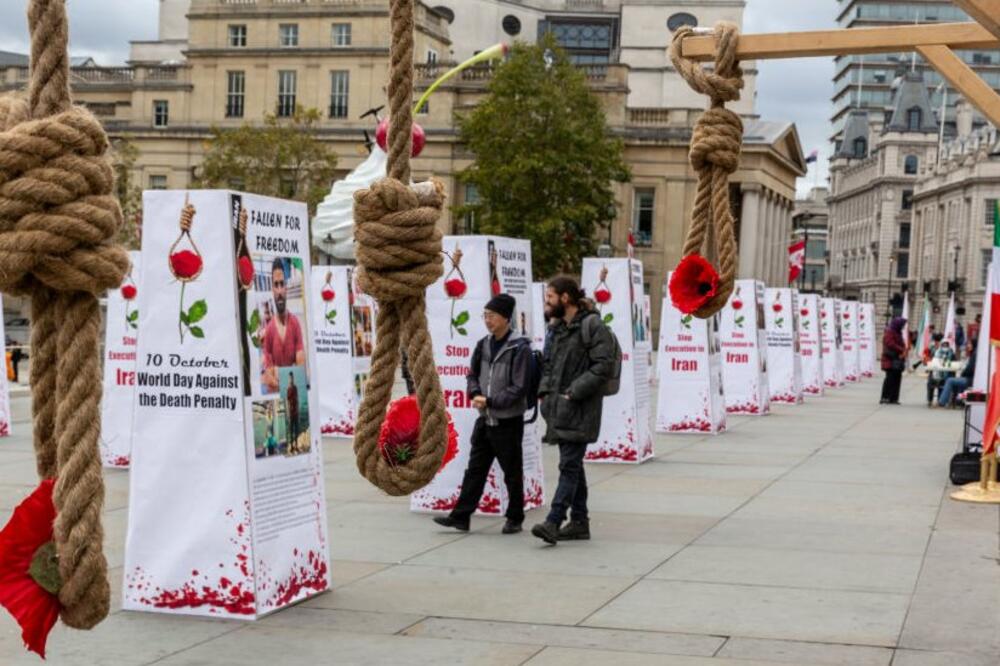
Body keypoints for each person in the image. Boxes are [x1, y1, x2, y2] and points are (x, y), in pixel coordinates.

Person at [434, 294, 531, 534]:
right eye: (485, 316)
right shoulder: (483, 344)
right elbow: (472, 374)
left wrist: (490, 401)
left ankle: (515, 517)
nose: (488, 321)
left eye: (492, 316)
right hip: (485, 419)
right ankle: (461, 516)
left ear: (506, 318)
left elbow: (520, 387)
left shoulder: (519, 348)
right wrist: (475, 392)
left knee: (512, 472)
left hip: (508, 420)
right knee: (475, 469)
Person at [531, 277, 616, 545]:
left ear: (565, 298)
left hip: (581, 408)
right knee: (573, 465)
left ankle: (554, 521)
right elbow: (548, 365)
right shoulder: (557, 329)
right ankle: (579, 522)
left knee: (568, 464)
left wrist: (573, 392)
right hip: (558, 408)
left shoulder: (592, 326)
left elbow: (604, 366)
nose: (547, 303)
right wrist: (544, 394)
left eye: (550, 298)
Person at [261, 258, 305, 392]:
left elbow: (301, 371)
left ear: (286, 287)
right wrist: (286, 372)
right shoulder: (268, 331)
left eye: (282, 284)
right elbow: (270, 380)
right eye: (276, 285)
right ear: (272, 289)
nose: (279, 291)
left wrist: (277, 371)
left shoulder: (295, 324)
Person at [939, 339, 977, 407]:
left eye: (969, 344)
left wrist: (962, 374)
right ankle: (956, 401)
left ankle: (942, 402)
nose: (968, 346)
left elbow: (970, 369)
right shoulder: (974, 354)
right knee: (953, 379)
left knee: (949, 380)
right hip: (970, 378)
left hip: (969, 380)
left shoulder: (974, 355)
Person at [880, 317, 907, 405]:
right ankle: (885, 397)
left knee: (897, 378)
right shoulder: (890, 332)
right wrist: (901, 350)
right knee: (890, 379)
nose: (903, 326)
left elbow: (901, 343)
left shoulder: (898, 332)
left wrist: (904, 350)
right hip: (890, 359)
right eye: (902, 325)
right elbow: (890, 344)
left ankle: (894, 398)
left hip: (897, 360)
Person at [927, 338, 955, 407]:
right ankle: (930, 400)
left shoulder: (952, 354)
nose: (945, 346)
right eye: (944, 345)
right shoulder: (936, 353)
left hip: (947, 375)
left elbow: (954, 364)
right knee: (930, 382)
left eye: (946, 345)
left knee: (945, 381)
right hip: (937, 374)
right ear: (941, 345)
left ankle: (942, 400)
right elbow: (932, 363)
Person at [286, 371, 300, 453]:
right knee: (291, 430)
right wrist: (288, 413)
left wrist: (298, 410)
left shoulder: (295, 387)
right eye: (290, 377)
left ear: (293, 378)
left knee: (296, 429)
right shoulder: (288, 389)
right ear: (289, 379)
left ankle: (296, 446)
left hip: (296, 412)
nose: (291, 379)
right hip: (291, 413)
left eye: (292, 377)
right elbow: (287, 402)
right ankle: (291, 446)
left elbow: (297, 399)